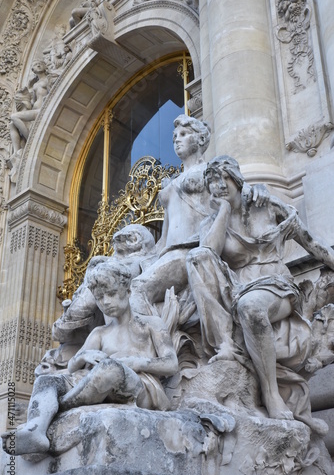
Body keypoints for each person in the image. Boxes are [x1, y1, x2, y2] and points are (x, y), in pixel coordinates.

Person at [186, 155, 334, 425]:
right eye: (212, 182)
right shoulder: (213, 222)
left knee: (251, 307)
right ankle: (226, 344)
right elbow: (208, 253)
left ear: (237, 178)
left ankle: (271, 393)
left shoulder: (266, 207)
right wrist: (224, 211)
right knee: (197, 258)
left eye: (224, 178)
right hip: (237, 288)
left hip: (275, 286)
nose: (218, 185)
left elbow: (310, 241)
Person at [1, 261, 177, 455]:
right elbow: (71, 369)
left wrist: (135, 362)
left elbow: (171, 363)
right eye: (99, 298)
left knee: (109, 369)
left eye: (110, 294)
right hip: (97, 383)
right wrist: (84, 355)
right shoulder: (99, 333)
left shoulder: (151, 324)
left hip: (141, 388)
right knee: (47, 379)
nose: (105, 302)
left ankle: (58, 407)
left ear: (128, 292)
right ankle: (35, 430)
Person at [130, 115, 268, 358]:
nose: (177, 140)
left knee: (139, 287)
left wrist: (259, 189)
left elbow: (239, 191)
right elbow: (165, 235)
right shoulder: (171, 182)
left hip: (190, 248)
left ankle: (153, 355)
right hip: (166, 253)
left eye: (184, 134)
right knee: (122, 280)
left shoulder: (209, 170)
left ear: (202, 138)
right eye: (175, 137)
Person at [9, 60, 50, 165]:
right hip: (35, 111)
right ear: (33, 70)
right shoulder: (36, 85)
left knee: (14, 117)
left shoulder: (47, 80)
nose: (38, 65)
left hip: (42, 110)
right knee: (12, 124)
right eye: (36, 65)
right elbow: (32, 102)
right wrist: (24, 103)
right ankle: (17, 151)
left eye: (40, 64)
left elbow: (53, 92)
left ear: (45, 67)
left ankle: (30, 139)